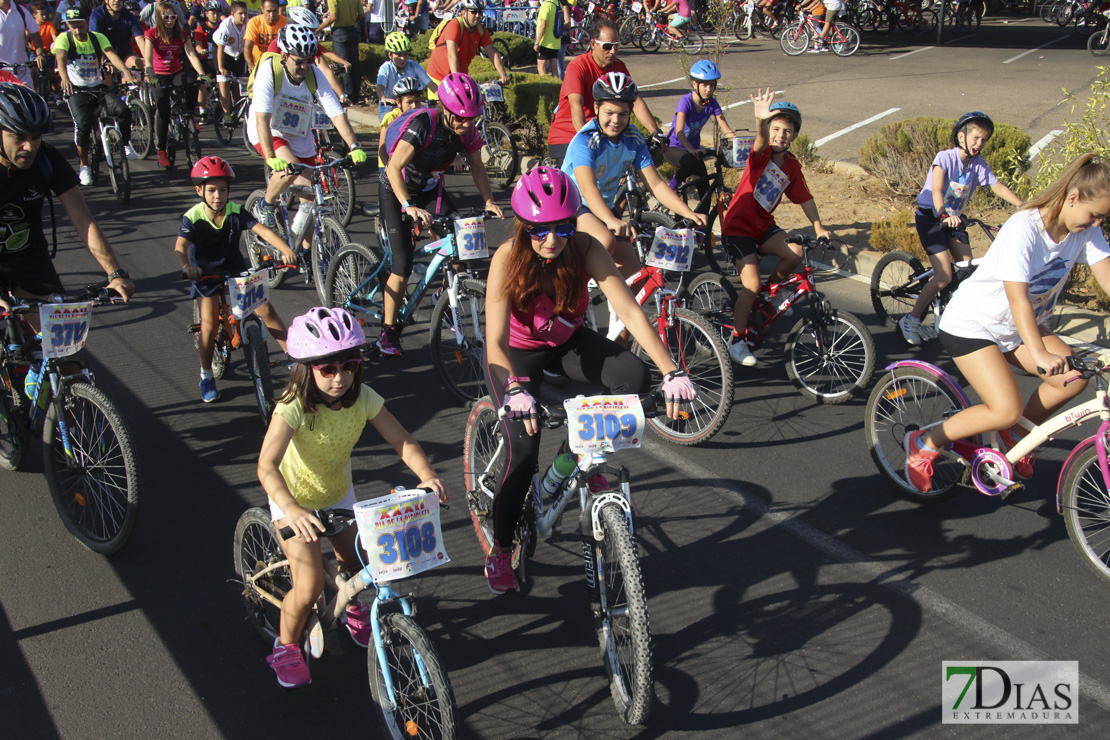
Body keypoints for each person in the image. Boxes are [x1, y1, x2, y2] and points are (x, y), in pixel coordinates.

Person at [480, 166, 696, 593]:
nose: (552, 239)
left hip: (566, 341)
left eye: (562, 227)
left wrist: (671, 370)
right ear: (525, 226)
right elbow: (495, 342)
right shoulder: (508, 257)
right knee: (523, 454)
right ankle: (501, 547)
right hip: (517, 354)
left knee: (633, 374)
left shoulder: (585, 248)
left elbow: (631, 311)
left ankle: (575, 452)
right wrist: (514, 389)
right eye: (540, 230)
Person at [256, 306, 448, 688]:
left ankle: (351, 605)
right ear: (307, 368)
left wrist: (426, 476)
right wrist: (291, 509)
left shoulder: (363, 398)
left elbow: (402, 439)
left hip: (337, 493)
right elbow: (266, 467)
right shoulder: (294, 405)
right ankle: (286, 645)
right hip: (292, 498)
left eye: (349, 366)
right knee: (309, 585)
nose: (340, 378)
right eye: (327, 369)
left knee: (358, 560)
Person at [905, 153, 1110, 493]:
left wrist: (1038, 349)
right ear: (1073, 198)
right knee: (1005, 408)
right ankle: (924, 441)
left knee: (1073, 378)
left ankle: (1017, 435)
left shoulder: (1085, 232)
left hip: (1015, 328)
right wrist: (1039, 353)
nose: (1097, 224)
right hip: (973, 324)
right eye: (1095, 215)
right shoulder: (1024, 227)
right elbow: (1018, 298)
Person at [375, 72, 502, 356]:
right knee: (403, 264)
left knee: (463, 244)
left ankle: (446, 296)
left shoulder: (468, 131)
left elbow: (478, 168)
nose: (466, 123)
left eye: (472, 117)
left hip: (430, 189)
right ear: (444, 108)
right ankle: (388, 331)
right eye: (460, 117)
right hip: (397, 190)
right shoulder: (423, 124)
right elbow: (393, 168)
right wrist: (408, 205)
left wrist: (489, 200)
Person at [0, 83, 135, 317]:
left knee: (55, 338)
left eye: (36, 137)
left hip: (28, 257)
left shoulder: (47, 160)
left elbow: (83, 220)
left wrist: (115, 274)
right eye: (19, 137)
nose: (29, 146)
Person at [718, 90, 831, 367]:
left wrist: (819, 226)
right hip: (737, 227)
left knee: (794, 253)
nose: (781, 134)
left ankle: (770, 293)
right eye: (776, 128)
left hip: (763, 226)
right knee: (751, 284)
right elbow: (758, 140)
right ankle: (737, 340)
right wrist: (760, 120)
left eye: (787, 131)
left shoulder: (791, 165)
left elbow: (804, 196)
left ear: (794, 135)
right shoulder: (762, 154)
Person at [561, 72, 707, 283]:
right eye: (609, 112)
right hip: (574, 206)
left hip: (603, 209)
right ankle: (573, 291)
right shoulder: (585, 140)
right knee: (604, 240)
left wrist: (689, 213)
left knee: (635, 278)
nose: (616, 120)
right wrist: (610, 219)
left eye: (623, 114)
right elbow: (587, 187)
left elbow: (655, 184)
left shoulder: (633, 138)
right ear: (596, 108)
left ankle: (616, 314)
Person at [899, 111, 1024, 346]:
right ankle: (911, 318)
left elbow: (997, 187)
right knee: (944, 275)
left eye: (984, 140)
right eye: (976, 137)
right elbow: (937, 189)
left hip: (955, 219)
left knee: (968, 272)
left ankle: (950, 312)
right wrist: (942, 213)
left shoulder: (979, 165)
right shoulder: (945, 157)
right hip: (932, 217)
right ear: (961, 136)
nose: (980, 144)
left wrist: (1024, 206)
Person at [175, 156, 294, 402]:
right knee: (208, 326)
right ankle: (206, 374)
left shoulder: (235, 211)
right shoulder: (193, 217)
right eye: (211, 190)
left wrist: (284, 249)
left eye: (223, 189)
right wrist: (187, 267)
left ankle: (294, 359)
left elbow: (262, 230)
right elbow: (180, 246)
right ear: (199, 190)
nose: (218, 195)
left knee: (266, 309)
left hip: (234, 269)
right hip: (205, 273)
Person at [247, 25, 368, 231]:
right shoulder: (270, 69)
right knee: (289, 167)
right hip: (270, 130)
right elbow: (262, 119)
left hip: (299, 134)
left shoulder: (313, 74)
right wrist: (270, 157)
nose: (305, 66)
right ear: (284, 55)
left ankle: (302, 257)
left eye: (309, 60)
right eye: (299, 61)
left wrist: (354, 145)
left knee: (310, 204)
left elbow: (336, 113)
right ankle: (265, 205)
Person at [545, 21, 664, 167]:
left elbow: (636, 102)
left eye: (617, 46)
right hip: (569, 134)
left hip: (603, 131)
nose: (613, 51)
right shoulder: (578, 66)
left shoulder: (619, 66)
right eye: (607, 46)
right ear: (593, 44)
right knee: (579, 184)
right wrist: (587, 142)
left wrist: (656, 132)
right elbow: (576, 106)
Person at [54, 8, 139, 184]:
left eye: (80, 26)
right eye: (73, 27)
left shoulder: (97, 37)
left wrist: (125, 71)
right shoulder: (65, 38)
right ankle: (84, 166)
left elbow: (111, 54)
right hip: (76, 90)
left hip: (98, 88)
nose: (77, 31)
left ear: (87, 24)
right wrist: (64, 78)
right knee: (83, 124)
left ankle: (124, 144)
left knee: (123, 111)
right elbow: (60, 58)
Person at [143, 0, 209, 168]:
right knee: (163, 111)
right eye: (166, 17)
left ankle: (190, 115)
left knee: (192, 84)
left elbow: (191, 55)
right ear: (159, 18)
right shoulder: (151, 34)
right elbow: (148, 60)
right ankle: (161, 150)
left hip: (175, 71)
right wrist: (151, 76)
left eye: (173, 16)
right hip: (158, 74)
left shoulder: (180, 33)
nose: (170, 20)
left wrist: (202, 74)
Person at [664, 59, 735, 199]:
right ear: (694, 84)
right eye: (705, 85)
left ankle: (703, 219)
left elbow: (725, 127)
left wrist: (742, 144)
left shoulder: (712, 104)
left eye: (712, 85)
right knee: (690, 162)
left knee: (705, 191)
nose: (709, 89)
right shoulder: (686, 101)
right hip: (674, 147)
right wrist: (690, 149)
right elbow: (679, 131)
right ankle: (670, 187)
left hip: (694, 152)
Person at [425, 0, 509, 91]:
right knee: (440, 104)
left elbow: (492, 52)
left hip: (460, 76)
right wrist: (456, 80)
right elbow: (452, 54)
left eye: (480, 12)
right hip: (438, 77)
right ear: (463, 12)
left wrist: (503, 75)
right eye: (473, 12)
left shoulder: (480, 30)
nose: (477, 15)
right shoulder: (454, 25)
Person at [375, 31, 434, 121]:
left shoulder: (413, 65)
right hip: (389, 108)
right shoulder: (386, 68)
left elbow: (430, 84)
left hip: (410, 106)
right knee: (387, 128)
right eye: (399, 55)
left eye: (405, 54)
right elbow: (380, 86)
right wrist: (383, 98)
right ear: (390, 54)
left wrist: (443, 97)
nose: (403, 59)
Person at [319, 0, 361, 104]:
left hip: (339, 32)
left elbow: (333, 16)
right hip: (352, 30)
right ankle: (356, 96)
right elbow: (361, 14)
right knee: (355, 64)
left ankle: (349, 96)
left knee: (344, 64)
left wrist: (319, 28)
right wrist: (353, 22)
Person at [375, 75, 423, 166]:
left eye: (417, 102)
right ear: (398, 103)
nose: (414, 106)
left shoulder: (422, 116)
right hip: (388, 162)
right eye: (409, 102)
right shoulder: (390, 118)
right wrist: (388, 169)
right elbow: (382, 148)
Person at [213, 0, 247, 122]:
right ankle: (227, 113)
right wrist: (221, 67)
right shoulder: (226, 25)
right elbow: (220, 48)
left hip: (238, 53)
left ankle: (238, 110)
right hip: (223, 53)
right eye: (240, 14)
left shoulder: (248, 24)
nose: (243, 17)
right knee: (225, 82)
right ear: (232, 14)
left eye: (245, 13)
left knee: (238, 82)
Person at [0, 0, 47, 88]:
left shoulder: (21, 11)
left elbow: (35, 35)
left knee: (29, 99)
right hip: (1, 72)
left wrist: (40, 54)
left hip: (21, 70)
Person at [89, 0, 146, 69]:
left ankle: (134, 79)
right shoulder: (97, 14)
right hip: (105, 54)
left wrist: (148, 64)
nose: (117, 1)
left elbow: (141, 42)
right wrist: (102, 61)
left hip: (125, 53)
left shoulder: (129, 15)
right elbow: (95, 40)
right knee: (106, 71)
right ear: (106, 1)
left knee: (138, 65)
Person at [243, 0, 284, 70]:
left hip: (279, 66)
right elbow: (247, 47)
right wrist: (251, 65)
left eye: (274, 11)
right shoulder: (254, 22)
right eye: (269, 11)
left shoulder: (286, 23)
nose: (272, 15)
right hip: (258, 65)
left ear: (278, 9)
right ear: (262, 9)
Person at [533, 0, 561, 78]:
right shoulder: (558, 3)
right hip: (556, 41)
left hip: (545, 42)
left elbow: (543, 26)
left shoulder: (546, 5)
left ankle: (545, 87)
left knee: (541, 69)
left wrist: (537, 42)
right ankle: (556, 87)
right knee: (554, 70)